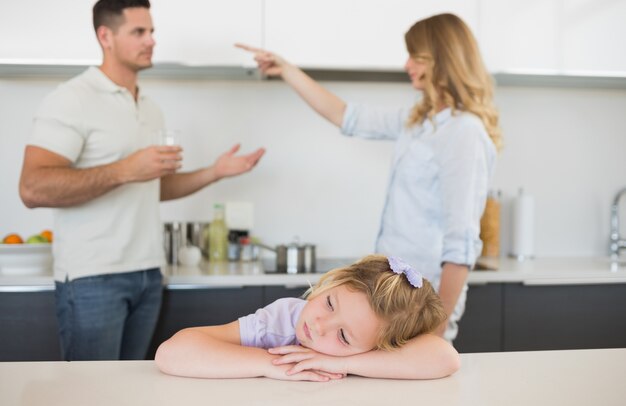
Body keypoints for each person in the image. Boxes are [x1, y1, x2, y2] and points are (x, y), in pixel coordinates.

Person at [18, 0, 265, 361]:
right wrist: (125, 169)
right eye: (139, 32)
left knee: (132, 394)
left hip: (148, 274)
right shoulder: (71, 99)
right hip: (93, 277)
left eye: (152, 32)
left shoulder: (149, 107)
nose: (151, 40)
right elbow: (32, 188)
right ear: (106, 36)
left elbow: (153, 187)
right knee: (92, 397)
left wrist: (215, 172)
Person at [236, 13, 501, 342]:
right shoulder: (420, 122)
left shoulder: (464, 133)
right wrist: (287, 70)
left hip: (418, 308)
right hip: (388, 296)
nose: (407, 64)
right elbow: (346, 115)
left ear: (442, 60)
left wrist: (437, 328)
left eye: (416, 57)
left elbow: (460, 246)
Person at [155, 255, 460, 381]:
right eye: (329, 303)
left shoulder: (375, 348)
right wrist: (273, 366)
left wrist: (341, 364)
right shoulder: (283, 320)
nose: (319, 325)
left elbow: (445, 358)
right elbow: (171, 352)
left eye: (343, 337)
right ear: (333, 280)